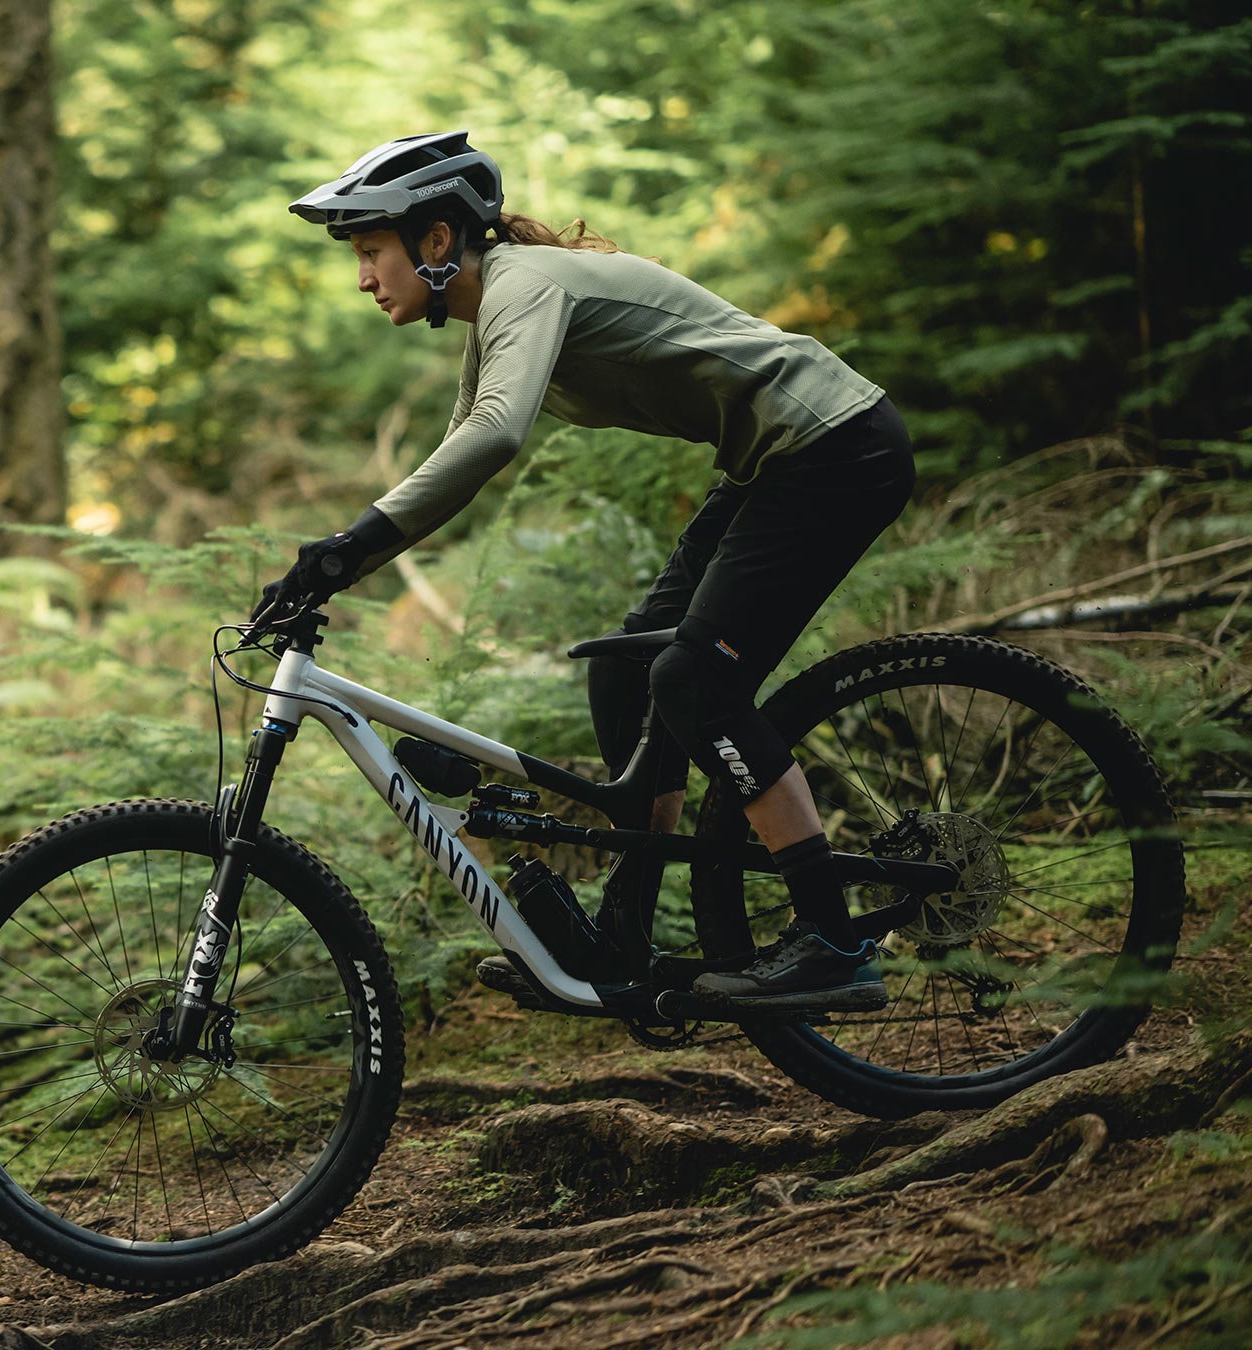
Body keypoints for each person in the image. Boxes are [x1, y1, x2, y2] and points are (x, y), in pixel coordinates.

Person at [265, 130, 915, 1012]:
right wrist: (336, 564)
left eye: (371, 249)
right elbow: (460, 451)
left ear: (439, 239)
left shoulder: (524, 285)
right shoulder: (498, 312)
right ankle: (625, 938)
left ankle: (832, 942)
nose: (362, 276)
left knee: (695, 680)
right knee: (623, 668)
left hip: (836, 446)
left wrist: (345, 546)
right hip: (775, 462)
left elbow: (496, 435)